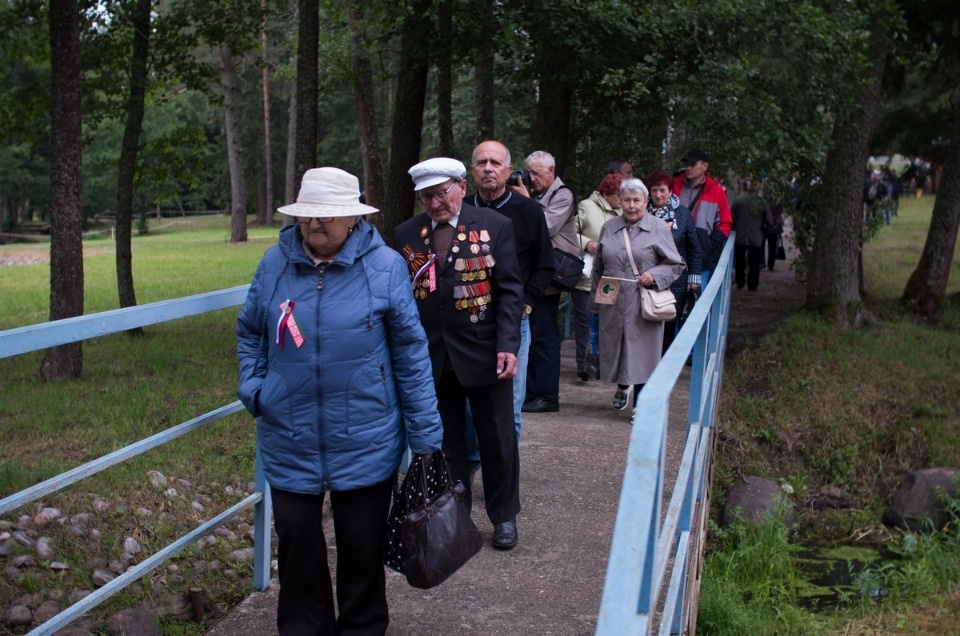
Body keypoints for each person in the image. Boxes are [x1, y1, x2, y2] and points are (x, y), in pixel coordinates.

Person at [236, 167, 444, 635]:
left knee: (362, 550)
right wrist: (255, 388)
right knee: (296, 547)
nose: (314, 224)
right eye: (307, 214)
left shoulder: (385, 266)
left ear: (353, 218)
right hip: (289, 435)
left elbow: (411, 353)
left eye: (327, 215)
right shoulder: (274, 263)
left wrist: (426, 436)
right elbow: (250, 331)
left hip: (366, 437)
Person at [394, 157, 524, 550]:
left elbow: (509, 292)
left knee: (497, 438)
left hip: (484, 352)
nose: (434, 204)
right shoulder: (407, 233)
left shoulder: (494, 226)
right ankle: (454, 516)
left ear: (461, 188)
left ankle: (503, 516)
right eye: (426, 197)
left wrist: (508, 345)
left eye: (441, 194)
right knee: (445, 441)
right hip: (432, 356)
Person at [462, 140, 553, 480]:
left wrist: (527, 302)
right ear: (472, 170)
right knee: (468, 404)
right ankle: (472, 463)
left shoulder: (528, 211)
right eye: (482, 162)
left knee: (509, 404)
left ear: (508, 170)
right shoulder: (460, 210)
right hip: (467, 322)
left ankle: (503, 475)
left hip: (514, 322)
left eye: (495, 163)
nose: (488, 168)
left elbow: (545, 265)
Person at [592, 178, 685, 412]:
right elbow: (598, 267)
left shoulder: (658, 228)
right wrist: (595, 301)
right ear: (620, 201)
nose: (632, 206)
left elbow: (676, 264)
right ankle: (624, 385)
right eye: (627, 200)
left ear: (645, 202)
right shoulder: (609, 227)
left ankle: (641, 406)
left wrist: (653, 275)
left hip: (643, 300)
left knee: (644, 353)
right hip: (613, 300)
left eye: (636, 200)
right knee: (616, 346)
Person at [513, 150, 578, 413]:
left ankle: (548, 395)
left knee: (545, 337)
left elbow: (545, 226)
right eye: (529, 173)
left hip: (550, 278)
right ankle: (532, 393)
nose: (532, 179)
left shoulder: (564, 194)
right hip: (534, 275)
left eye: (536, 174)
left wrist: (525, 200)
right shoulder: (538, 195)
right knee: (532, 336)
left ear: (551, 171)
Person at [644, 170, 701, 353]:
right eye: (654, 190)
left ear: (670, 191)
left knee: (669, 321)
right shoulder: (642, 213)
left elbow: (693, 248)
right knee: (647, 319)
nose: (658, 195)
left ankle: (664, 362)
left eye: (662, 190)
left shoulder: (682, 214)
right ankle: (648, 361)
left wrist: (694, 277)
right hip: (647, 278)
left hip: (677, 280)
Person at [575, 172, 623, 379]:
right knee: (584, 322)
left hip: (610, 278)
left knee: (607, 322)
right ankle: (583, 366)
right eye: (618, 195)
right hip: (585, 278)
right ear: (606, 193)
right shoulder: (586, 206)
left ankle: (604, 365)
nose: (622, 199)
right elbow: (570, 233)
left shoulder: (624, 211)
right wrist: (587, 243)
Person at [672, 149, 732, 289]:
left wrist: (709, 245)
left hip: (702, 258)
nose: (688, 168)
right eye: (686, 164)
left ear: (705, 166)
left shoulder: (717, 192)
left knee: (699, 297)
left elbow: (725, 223)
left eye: (693, 164)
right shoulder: (674, 186)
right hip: (674, 254)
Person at [731, 180, 770, 292]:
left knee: (740, 260)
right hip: (756, 236)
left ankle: (740, 282)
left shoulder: (738, 201)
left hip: (740, 235)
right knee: (754, 262)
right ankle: (753, 284)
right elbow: (768, 220)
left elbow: (732, 218)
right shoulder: (762, 202)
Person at [764, 201, 784, 271]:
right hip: (776, 226)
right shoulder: (778, 202)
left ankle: (764, 263)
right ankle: (771, 264)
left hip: (768, 225)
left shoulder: (767, 202)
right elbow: (781, 211)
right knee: (773, 245)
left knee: (767, 245)